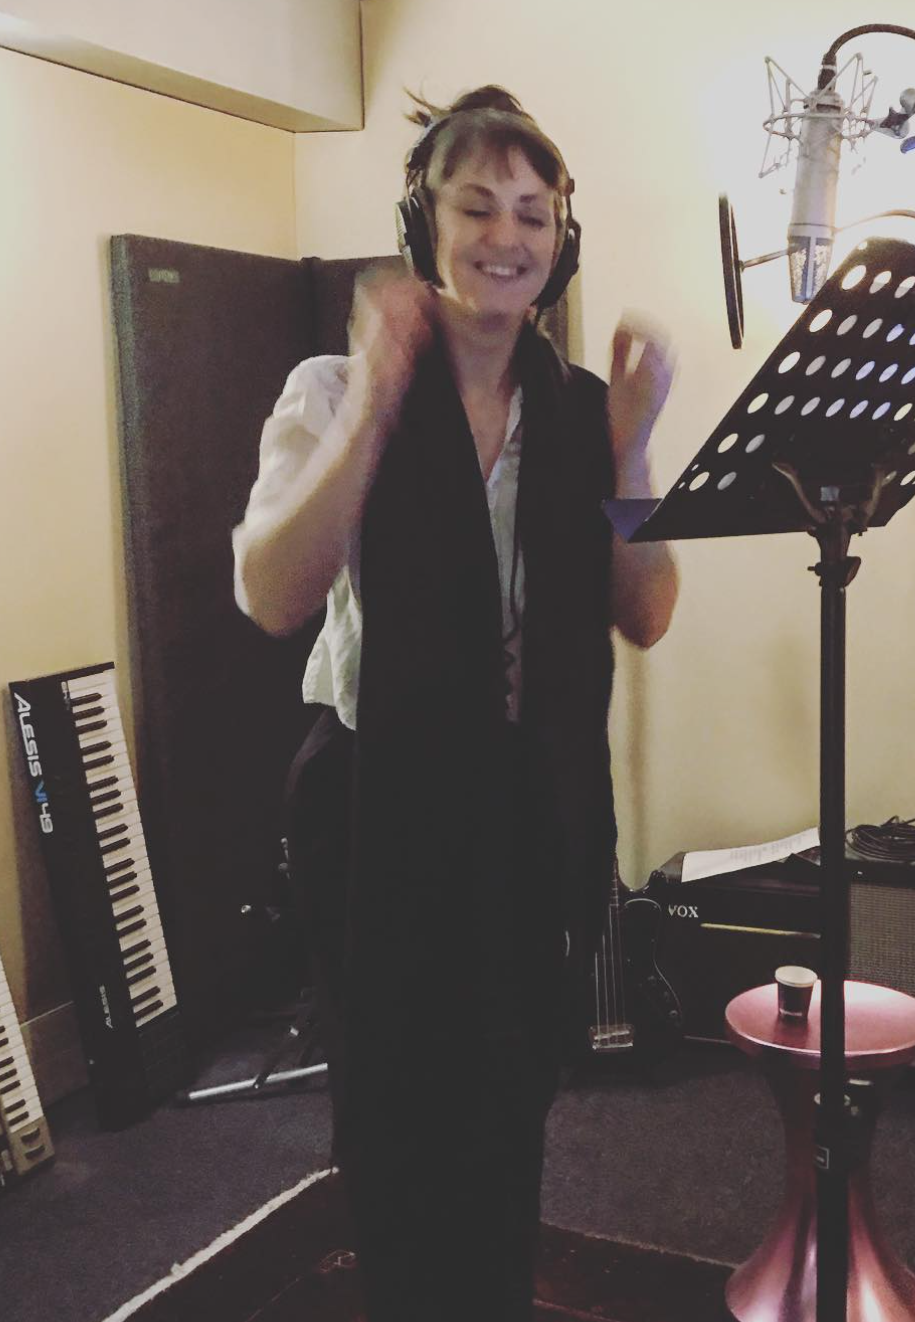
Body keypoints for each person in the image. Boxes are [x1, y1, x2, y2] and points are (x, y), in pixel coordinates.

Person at [231, 84, 678, 1321]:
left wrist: (633, 448)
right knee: (394, 1105)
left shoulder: (576, 409)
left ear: (561, 240)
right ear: (421, 221)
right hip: (375, 802)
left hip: (530, 803)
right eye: (476, 204)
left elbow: (646, 610)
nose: (505, 235)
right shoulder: (330, 387)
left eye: (533, 212)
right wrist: (379, 404)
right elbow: (270, 591)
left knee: (511, 1093)